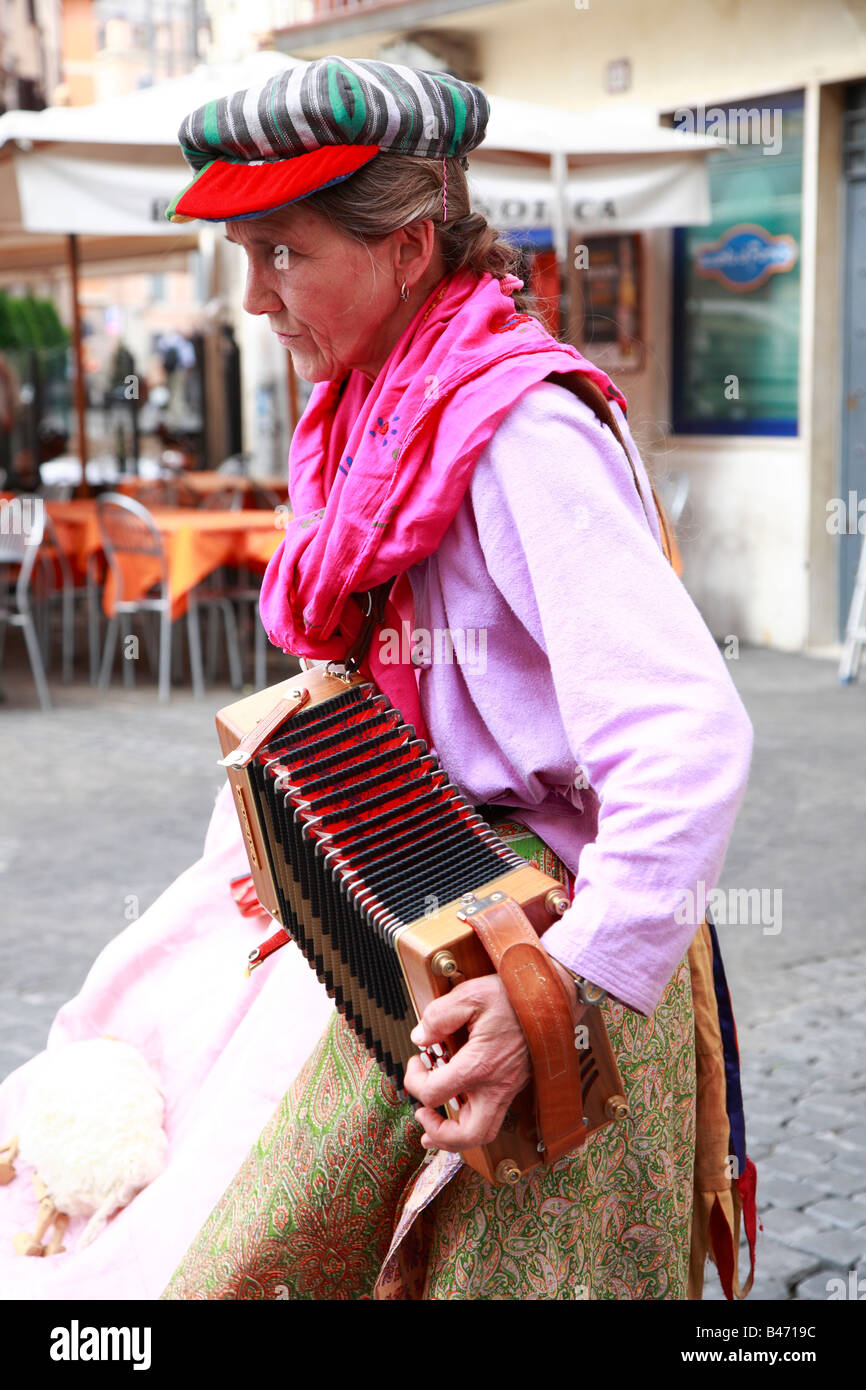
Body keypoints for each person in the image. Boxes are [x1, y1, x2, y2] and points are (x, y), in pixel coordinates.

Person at [159, 57, 756, 1301]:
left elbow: (684, 736)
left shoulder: (515, 427)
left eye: (283, 251)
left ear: (410, 245)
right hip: (407, 918)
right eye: (243, 252)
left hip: (531, 949)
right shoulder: (369, 410)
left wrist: (560, 993)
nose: (254, 297)